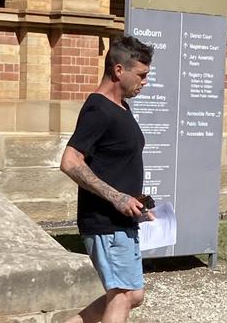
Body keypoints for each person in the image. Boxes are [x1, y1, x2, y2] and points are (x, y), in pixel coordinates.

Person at [61, 35, 155, 323]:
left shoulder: (122, 108)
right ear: (118, 71)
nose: (144, 82)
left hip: (122, 220)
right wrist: (117, 198)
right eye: (141, 75)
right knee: (123, 295)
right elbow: (70, 161)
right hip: (104, 222)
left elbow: (116, 164)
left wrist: (137, 203)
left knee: (132, 295)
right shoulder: (98, 109)